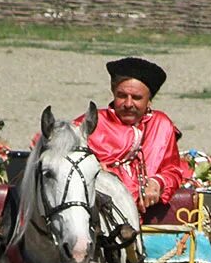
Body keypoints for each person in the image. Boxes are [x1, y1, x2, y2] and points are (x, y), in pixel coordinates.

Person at [74, 56, 190, 212]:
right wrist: (95, 170)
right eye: (122, 96)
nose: (128, 104)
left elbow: (173, 171)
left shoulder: (161, 125)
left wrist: (157, 182)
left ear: (149, 101)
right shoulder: (90, 123)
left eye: (136, 98)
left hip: (148, 213)